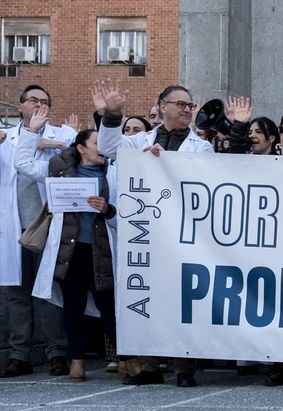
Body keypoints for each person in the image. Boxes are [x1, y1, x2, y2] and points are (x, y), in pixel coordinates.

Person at [96, 81, 213, 387]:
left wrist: (169, 163)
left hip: (180, 233)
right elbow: (107, 148)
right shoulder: (137, 142)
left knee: (179, 297)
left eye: (190, 106)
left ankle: (184, 365)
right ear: (162, 107)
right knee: (142, 294)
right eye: (181, 105)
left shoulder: (201, 146)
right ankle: (146, 364)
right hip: (142, 232)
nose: (187, 110)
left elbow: (206, 179)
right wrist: (113, 113)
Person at [13, 111, 116, 383]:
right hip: (70, 250)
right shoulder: (58, 168)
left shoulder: (114, 171)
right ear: (81, 148)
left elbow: (124, 211)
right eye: (97, 144)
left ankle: (123, 359)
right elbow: (23, 163)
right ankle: (76, 361)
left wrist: (107, 209)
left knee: (109, 303)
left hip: (102, 249)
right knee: (73, 305)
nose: (103, 149)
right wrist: (31, 133)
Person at [1, 85, 72, 378]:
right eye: (34, 100)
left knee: (50, 292)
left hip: (47, 227)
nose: (39, 105)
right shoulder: (5, 138)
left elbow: (81, 159)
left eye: (45, 101)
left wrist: (55, 146)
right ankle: (20, 354)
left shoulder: (62, 135)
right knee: (16, 293)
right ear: (20, 106)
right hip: (13, 227)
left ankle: (57, 353)